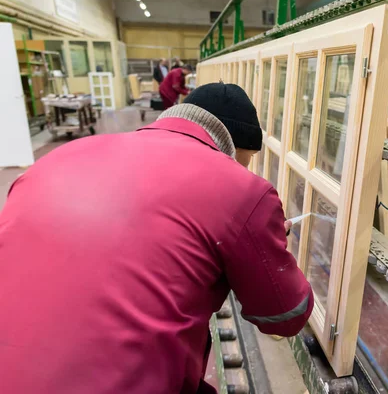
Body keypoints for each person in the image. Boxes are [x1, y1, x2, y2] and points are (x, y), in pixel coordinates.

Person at [0, 82, 314, 394]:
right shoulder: (240, 188)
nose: (242, 170)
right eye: (242, 162)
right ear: (228, 147)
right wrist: (266, 244)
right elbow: (284, 318)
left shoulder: (56, 159)